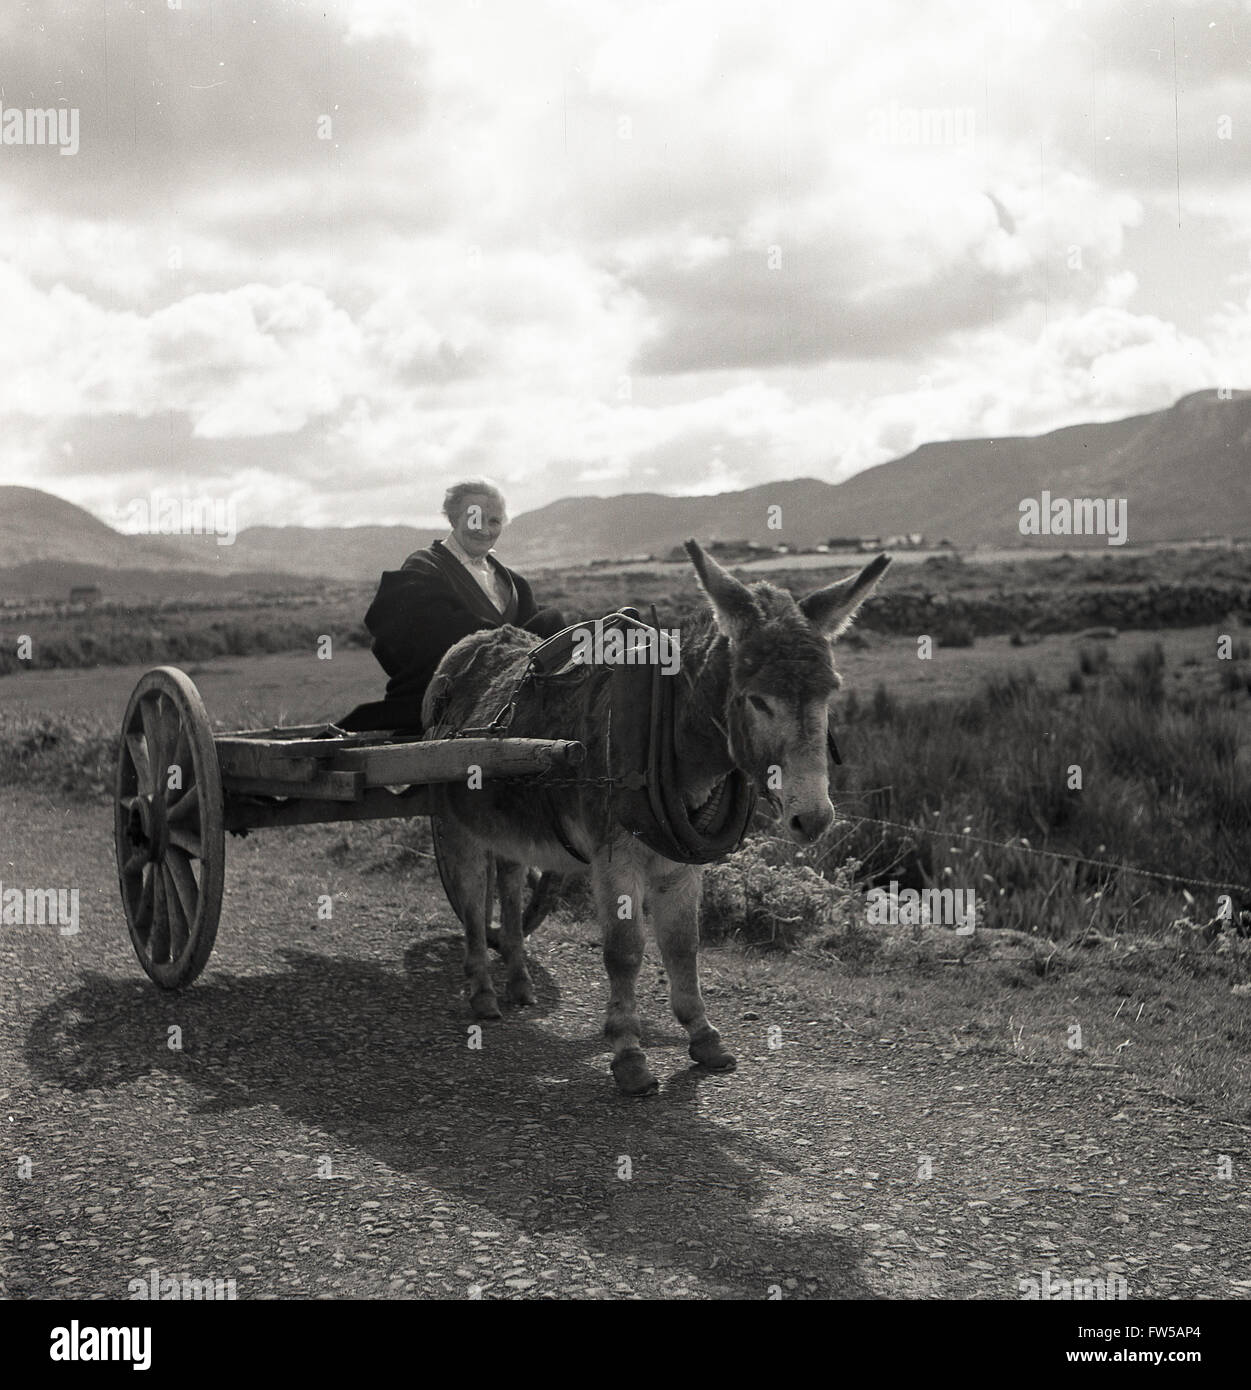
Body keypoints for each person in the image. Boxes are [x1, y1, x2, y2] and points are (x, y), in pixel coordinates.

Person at [338, 480, 566, 733]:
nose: (484, 530)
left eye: (494, 521)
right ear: (453, 518)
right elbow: (424, 636)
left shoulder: (514, 584)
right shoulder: (423, 568)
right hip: (443, 696)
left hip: (509, 699)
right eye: (475, 519)